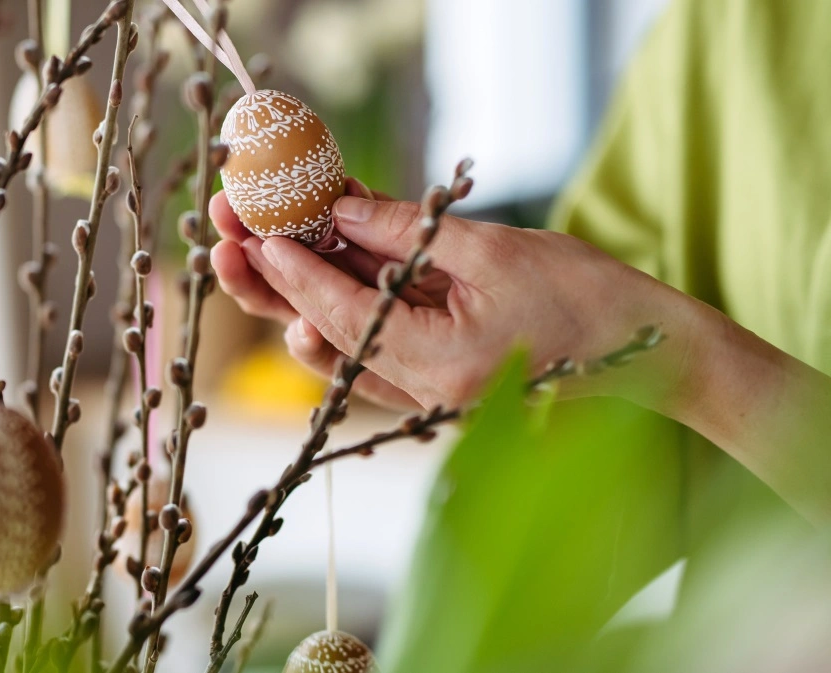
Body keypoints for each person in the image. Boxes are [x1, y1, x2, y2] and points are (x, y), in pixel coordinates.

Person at [211, 0, 831, 665]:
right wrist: (515, 387)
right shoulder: (725, 27)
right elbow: (635, 468)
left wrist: (685, 358)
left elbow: (644, 342)